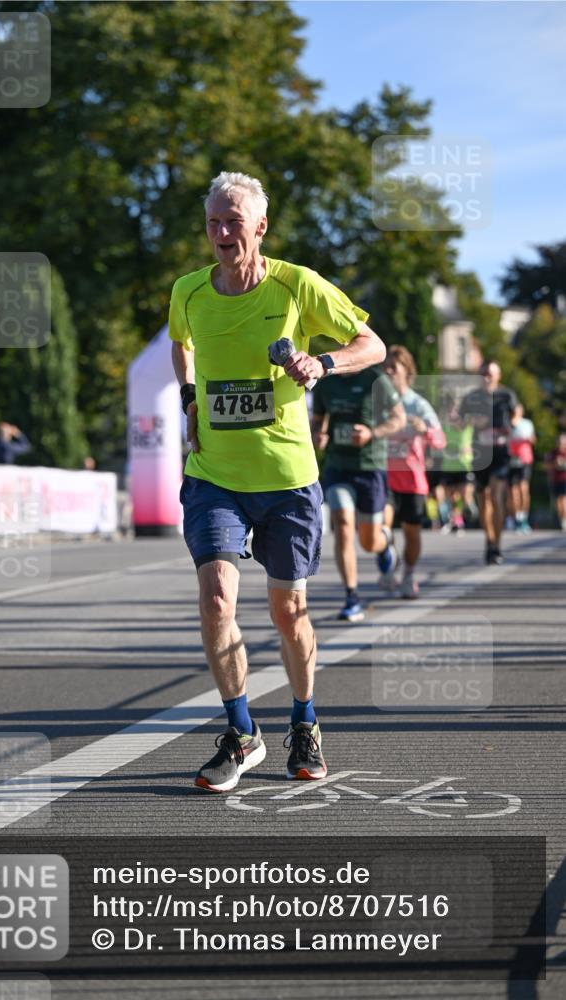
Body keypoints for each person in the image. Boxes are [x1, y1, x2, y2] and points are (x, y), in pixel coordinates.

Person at [170, 171, 385, 792]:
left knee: (288, 612)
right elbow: (180, 344)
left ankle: (304, 719)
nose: (220, 232)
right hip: (214, 474)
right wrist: (190, 398)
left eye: (233, 221)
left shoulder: (297, 286)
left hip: (288, 478)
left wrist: (321, 362)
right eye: (213, 221)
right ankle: (240, 732)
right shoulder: (187, 291)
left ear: (260, 227)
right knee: (216, 599)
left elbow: (370, 345)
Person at [311, 360, 405, 622]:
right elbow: (318, 422)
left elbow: (399, 418)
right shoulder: (325, 381)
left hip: (369, 467)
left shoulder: (376, 379)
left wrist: (371, 433)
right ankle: (351, 597)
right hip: (338, 466)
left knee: (368, 541)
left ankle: (384, 542)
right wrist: (319, 436)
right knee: (342, 524)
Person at [382, 345, 445, 598]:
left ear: (406, 371)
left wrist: (425, 430)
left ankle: (408, 574)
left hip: (412, 478)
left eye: (393, 368)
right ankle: (388, 561)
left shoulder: (418, 404)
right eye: (384, 367)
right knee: (381, 526)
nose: (387, 372)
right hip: (383, 475)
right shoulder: (377, 400)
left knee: (412, 532)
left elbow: (440, 440)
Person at [458, 361, 517, 565]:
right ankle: (489, 541)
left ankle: (497, 544)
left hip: (500, 451)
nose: (487, 377)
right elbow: (459, 419)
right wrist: (470, 421)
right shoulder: (472, 397)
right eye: (483, 373)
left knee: (496, 495)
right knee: (484, 500)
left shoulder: (506, 395)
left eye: (490, 373)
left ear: (498, 375)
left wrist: (513, 423)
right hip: (480, 452)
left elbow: (517, 410)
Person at [508, 403, 536, 532]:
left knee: (523, 489)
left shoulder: (527, 423)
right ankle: (516, 518)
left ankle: (524, 517)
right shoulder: (506, 423)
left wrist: (528, 439)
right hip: (510, 461)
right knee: (513, 492)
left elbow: (533, 439)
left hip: (524, 459)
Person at [546, 432, 566, 532]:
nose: (561, 444)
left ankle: (564, 520)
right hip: (556, 480)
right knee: (558, 502)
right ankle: (562, 520)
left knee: (564, 500)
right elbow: (547, 466)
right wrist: (555, 463)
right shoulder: (553, 453)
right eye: (559, 442)